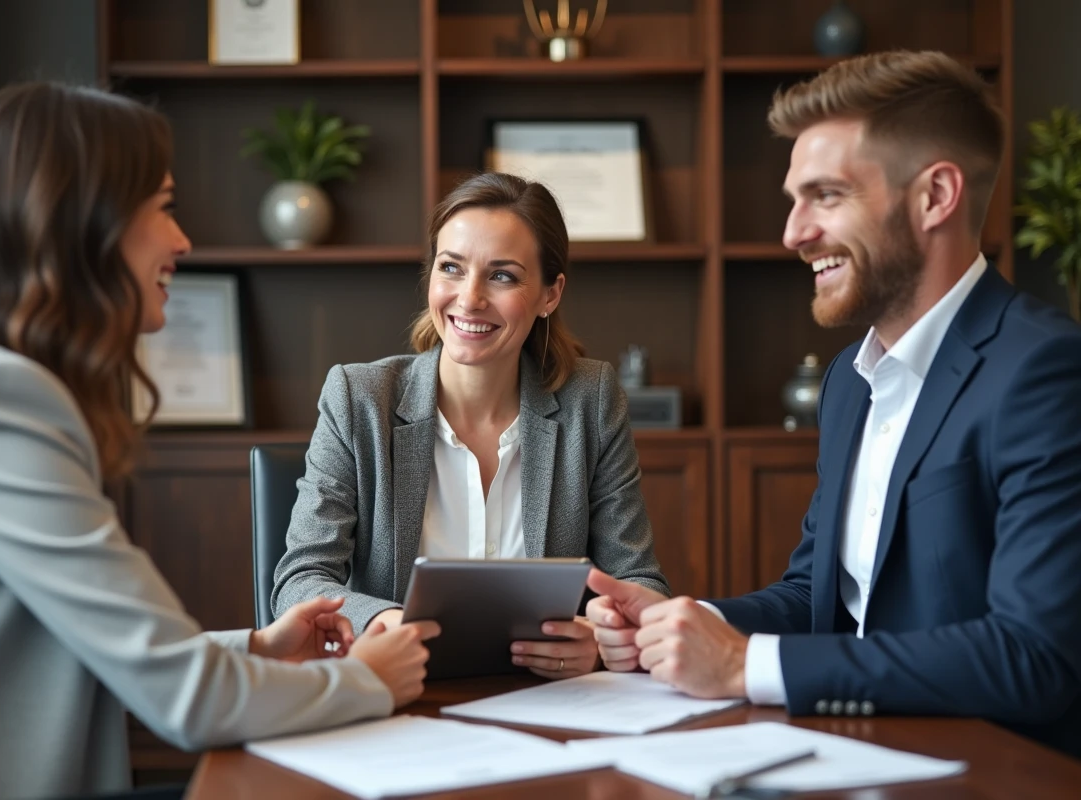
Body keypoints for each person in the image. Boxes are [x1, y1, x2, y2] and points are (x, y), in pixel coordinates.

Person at [0, 82, 440, 800]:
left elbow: (84, 642)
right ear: (86, 221)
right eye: (165, 208)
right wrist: (365, 681)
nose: (182, 241)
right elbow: (189, 701)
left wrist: (259, 648)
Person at [585, 50, 1081, 759]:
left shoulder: (1045, 372)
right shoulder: (851, 380)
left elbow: (1033, 657)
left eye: (826, 195)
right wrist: (686, 622)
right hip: (859, 753)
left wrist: (741, 665)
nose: (794, 232)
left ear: (935, 196)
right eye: (795, 199)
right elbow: (819, 600)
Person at [271, 171, 670, 680]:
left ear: (550, 293)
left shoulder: (589, 400)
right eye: (451, 268)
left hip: (548, 701)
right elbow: (300, 581)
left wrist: (601, 639)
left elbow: (640, 583)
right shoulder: (359, 399)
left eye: (502, 275)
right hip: (400, 698)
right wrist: (385, 622)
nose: (470, 298)